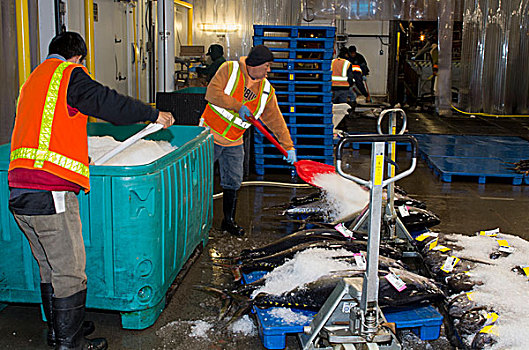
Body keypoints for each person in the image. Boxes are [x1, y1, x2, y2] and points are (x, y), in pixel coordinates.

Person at [7, 32, 174, 350]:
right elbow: (107, 102)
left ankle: (60, 331)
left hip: (20, 189)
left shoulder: (33, 82)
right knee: (70, 271)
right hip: (49, 190)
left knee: (49, 265)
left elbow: (46, 131)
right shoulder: (68, 74)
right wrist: (152, 114)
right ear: (78, 58)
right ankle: (70, 344)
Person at [200, 45, 296, 237]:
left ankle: (228, 221)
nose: (269, 70)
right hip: (210, 134)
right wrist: (238, 106)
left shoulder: (267, 91)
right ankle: (197, 223)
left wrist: (288, 146)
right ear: (256, 63)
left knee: (233, 181)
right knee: (199, 181)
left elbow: (276, 120)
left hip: (235, 140)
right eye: (267, 65)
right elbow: (212, 93)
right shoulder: (229, 69)